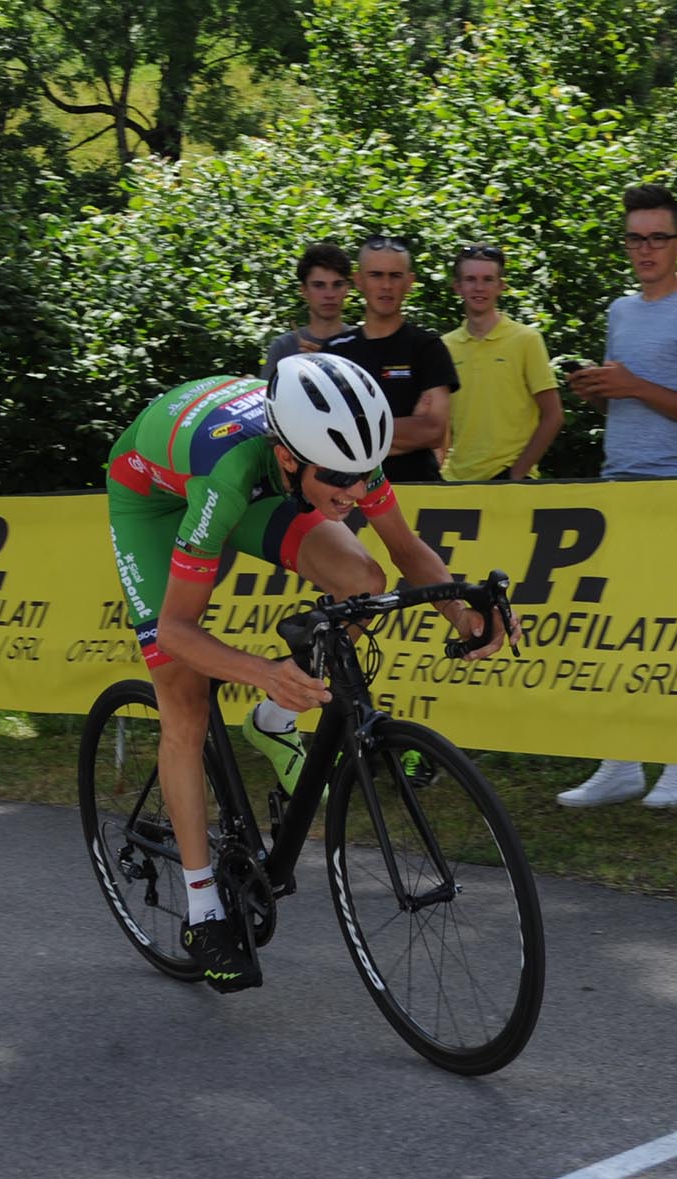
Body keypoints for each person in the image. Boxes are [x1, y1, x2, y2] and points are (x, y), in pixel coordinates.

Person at [105, 354, 513, 991]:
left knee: (363, 579)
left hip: (257, 481)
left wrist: (463, 618)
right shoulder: (230, 473)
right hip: (157, 500)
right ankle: (203, 908)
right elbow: (180, 629)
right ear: (292, 457)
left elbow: (404, 550)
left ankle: (273, 723)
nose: (353, 494)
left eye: (363, 475)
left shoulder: (342, 451)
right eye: (339, 480)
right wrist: (263, 669)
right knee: (184, 705)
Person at [558, 183, 677, 809]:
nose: (646, 248)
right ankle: (622, 763)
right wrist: (600, 391)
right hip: (617, 484)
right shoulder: (620, 312)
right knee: (619, 630)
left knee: (671, 627)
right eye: (636, 237)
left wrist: (632, 384)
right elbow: (629, 395)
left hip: (672, 487)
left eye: (659, 237)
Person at [322, 236, 457, 483]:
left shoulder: (428, 348)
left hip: (418, 492)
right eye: (376, 275)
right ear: (359, 281)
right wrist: (406, 430)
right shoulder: (334, 354)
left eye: (395, 276)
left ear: (409, 282)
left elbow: (433, 431)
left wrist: (354, 430)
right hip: (349, 496)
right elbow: (322, 435)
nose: (386, 285)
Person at [440, 244, 563, 481]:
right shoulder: (444, 346)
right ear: (458, 287)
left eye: (488, 279)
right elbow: (441, 422)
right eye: (470, 279)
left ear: (501, 286)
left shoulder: (526, 339)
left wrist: (517, 473)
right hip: (455, 482)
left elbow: (554, 415)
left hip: (512, 481)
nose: (479, 287)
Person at [260, 242, 354, 378]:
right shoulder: (284, 347)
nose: (329, 294)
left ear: (347, 289)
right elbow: (267, 397)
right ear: (304, 290)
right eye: (319, 285)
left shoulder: (360, 344)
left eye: (337, 285)